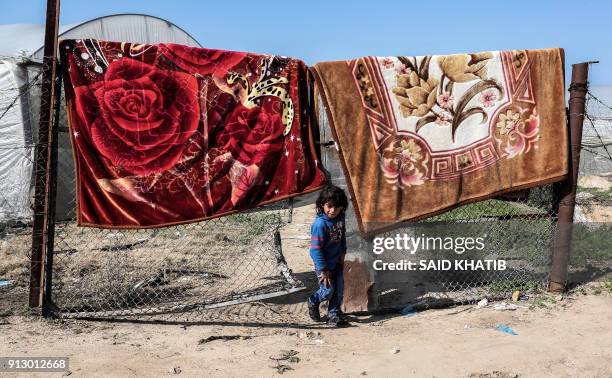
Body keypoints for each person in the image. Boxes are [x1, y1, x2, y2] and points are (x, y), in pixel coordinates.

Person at [307, 184, 349, 327]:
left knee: (339, 290)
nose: (333, 210)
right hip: (324, 265)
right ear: (322, 205)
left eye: (337, 207)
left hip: (337, 261)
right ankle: (313, 300)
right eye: (329, 206)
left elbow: (342, 237)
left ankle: (333, 315)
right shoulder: (320, 225)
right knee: (327, 291)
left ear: (342, 207)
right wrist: (323, 269)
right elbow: (315, 250)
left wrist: (343, 252)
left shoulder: (340, 219)